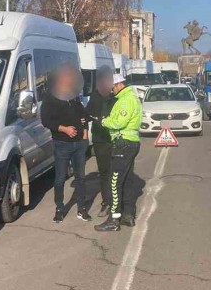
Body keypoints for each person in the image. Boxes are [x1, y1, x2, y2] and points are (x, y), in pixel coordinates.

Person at [41, 64, 91, 222]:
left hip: (79, 144)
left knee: (81, 177)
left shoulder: (73, 95)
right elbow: (46, 120)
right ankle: (59, 208)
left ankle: (81, 208)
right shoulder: (50, 97)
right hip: (62, 143)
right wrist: (64, 129)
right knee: (60, 178)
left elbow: (83, 115)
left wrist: (84, 135)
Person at [94, 74, 142, 232]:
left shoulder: (125, 100)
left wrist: (103, 121)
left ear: (119, 85)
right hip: (130, 142)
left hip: (123, 144)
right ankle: (128, 215)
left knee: (114, 182)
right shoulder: (129, 98)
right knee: (127, 180)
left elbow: (118, 122)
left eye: (113, 87)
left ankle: (113, 220)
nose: (112, 91)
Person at [86, 66, 117, 217]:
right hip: (100, 140)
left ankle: (118, 203)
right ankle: (107, 202)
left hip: (116, 139)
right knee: (104, 173)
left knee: (116, 172)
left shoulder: (116, 96)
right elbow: (88, 113)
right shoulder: (95, 96)